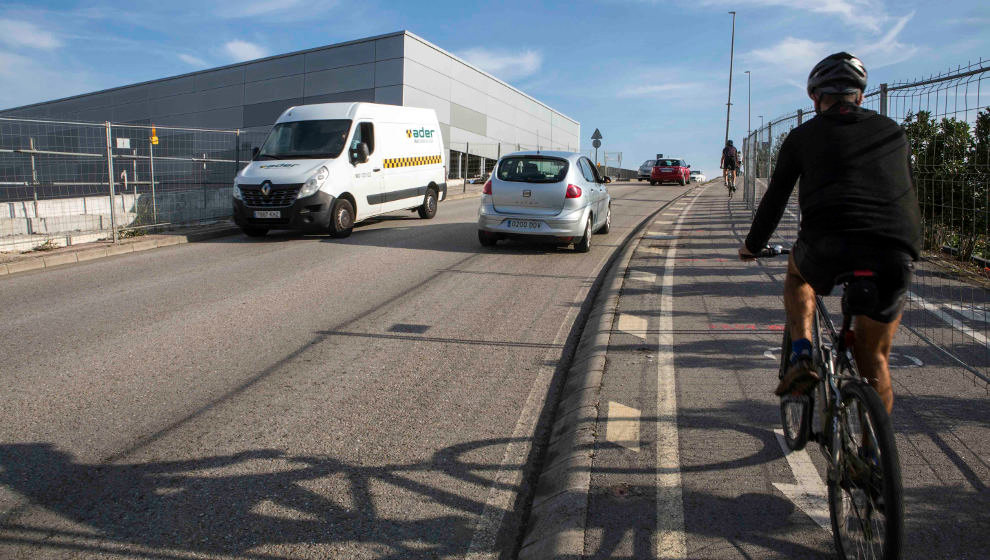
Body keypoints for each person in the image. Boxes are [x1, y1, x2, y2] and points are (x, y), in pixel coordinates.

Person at [737, 52, 921, 414]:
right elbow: (908, 194)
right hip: (894, 249)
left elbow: (774, 200)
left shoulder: (802, 136)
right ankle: (872, 462)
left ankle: (801, 355)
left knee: (797, 274)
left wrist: (752, 246)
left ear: (815, 98)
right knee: (875, 358)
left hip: (828, 245)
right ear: (861, 96)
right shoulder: (893, 132)